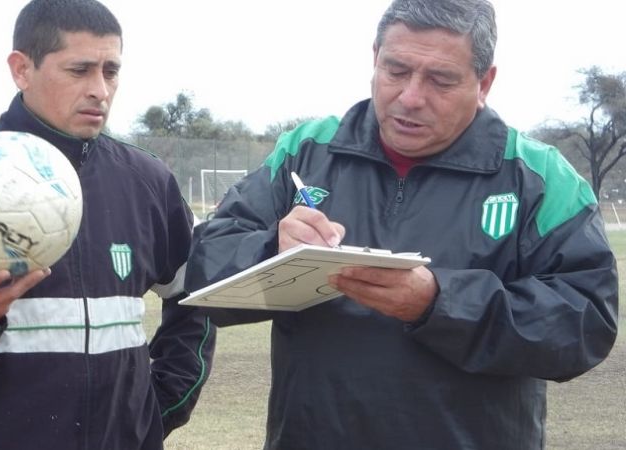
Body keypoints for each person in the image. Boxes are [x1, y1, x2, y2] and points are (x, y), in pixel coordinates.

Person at [185, 0, 618, 448]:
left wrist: (439, 303)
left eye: (441, 80)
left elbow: (585, 324)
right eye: (396, 71)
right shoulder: (306, 151)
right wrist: (272, 252)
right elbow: (206, 263)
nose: (411, 96)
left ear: (484, 81)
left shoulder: (539, 178)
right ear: (374, 58)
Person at [0, 1, 215, 448]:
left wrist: (154, 408)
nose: (100, 90)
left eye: (111, 71)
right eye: (79, 70)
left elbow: (197, 298)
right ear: (22, 69)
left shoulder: (147, 181)